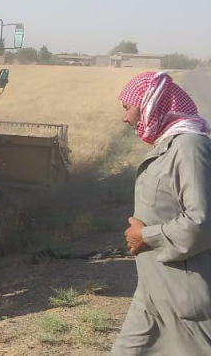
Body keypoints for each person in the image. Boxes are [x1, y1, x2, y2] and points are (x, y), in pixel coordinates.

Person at [112, 71, 211, 355]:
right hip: (151, 292)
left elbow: (201, 222)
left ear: (150, 104)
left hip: (183, 296)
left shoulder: (190, 147)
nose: (125, 118)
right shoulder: (167, 146)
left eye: (127, 108)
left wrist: (145, 234)